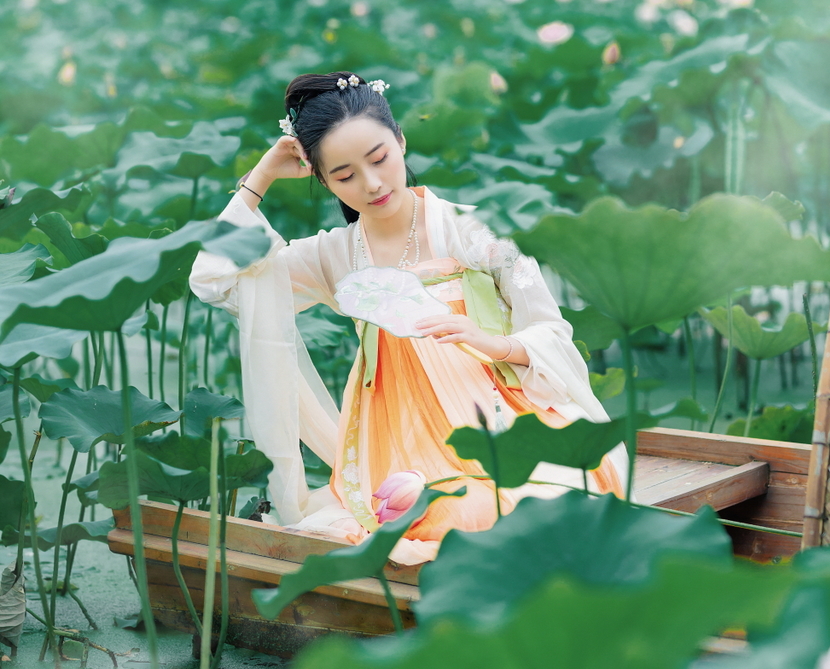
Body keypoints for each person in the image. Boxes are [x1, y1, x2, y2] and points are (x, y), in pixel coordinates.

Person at [190, 71, 623, 563]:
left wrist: (489, 341)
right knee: (452, 517)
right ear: (321, 177)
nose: (372, 184)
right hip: (400, 449)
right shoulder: (335, 255)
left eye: (379, 159)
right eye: (345, 175)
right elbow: (216, 282)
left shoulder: (473, 231)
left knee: (544, 502)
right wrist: (260, 177)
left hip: (506, 427)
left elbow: (552, 334)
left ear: (400, 140)